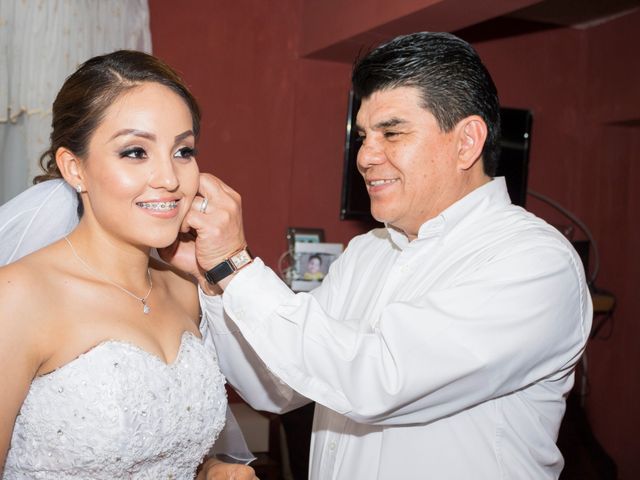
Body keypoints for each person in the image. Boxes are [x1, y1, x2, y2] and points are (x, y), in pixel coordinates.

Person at [190, 32, 593, 479]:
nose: (365, 156)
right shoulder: (367, 252)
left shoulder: (534, 262)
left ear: (467, 142)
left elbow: (377, 380)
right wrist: (215, 282)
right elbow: (279, 386)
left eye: (392, 133)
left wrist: (237, 264)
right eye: (364, 136)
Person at [0, 50, 257, 479]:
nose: (170, 179)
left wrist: (210, 470)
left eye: (183, 150)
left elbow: (163, 451)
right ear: (74, 168)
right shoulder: (19, 298)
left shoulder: (185, 289)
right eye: (135, 152)